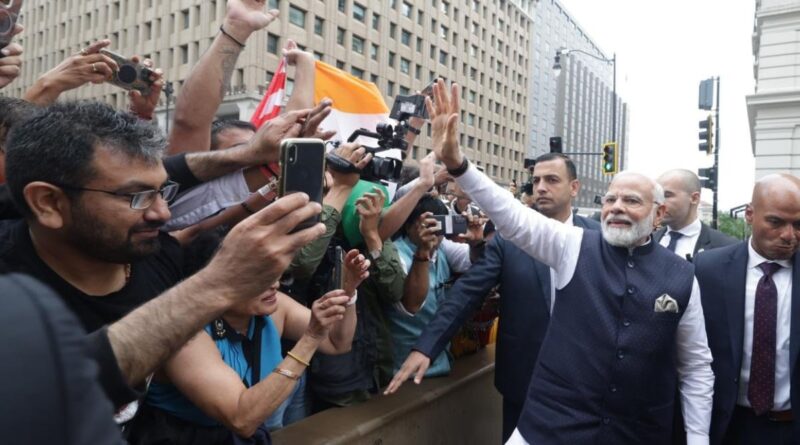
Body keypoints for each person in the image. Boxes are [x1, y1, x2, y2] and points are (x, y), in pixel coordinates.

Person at [423, 80, 713, 444]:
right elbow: (512, 215)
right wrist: (458, 164)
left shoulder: (682, 277)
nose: (617, 207)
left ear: (659, 214)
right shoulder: (573, 244)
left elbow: (696, 367)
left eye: (632, 201)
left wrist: (698, 439)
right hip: (548, 430)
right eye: (610, 200)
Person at [386, 152, 601, 442]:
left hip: (585, 385)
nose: (540, 188)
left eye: (552, 180)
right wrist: (426, 347)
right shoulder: (508, 240)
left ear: (574, 187)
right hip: (523, 385)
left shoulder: (599, 239)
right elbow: (466, 293)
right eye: (536, 180)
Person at [127, 250, 369, 444]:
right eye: (259, 278)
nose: (274, 284)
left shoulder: (274, 308)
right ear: (216, 284)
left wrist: (349, 293)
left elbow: (337, 343)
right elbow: (242, 419)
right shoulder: (186, 332)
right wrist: (310, 338)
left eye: (274, 274)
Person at [695, 174, 800, 445]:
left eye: (798, 224)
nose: (789, 235)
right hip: (729, 426)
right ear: (750, 215)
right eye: (775, 222)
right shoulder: (707, 270)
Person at [655, 169, 736, 260]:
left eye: (667, 195)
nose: (659, 203)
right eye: (657, 197)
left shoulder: (725, 247)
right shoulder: (647, 241)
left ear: (694, 198)